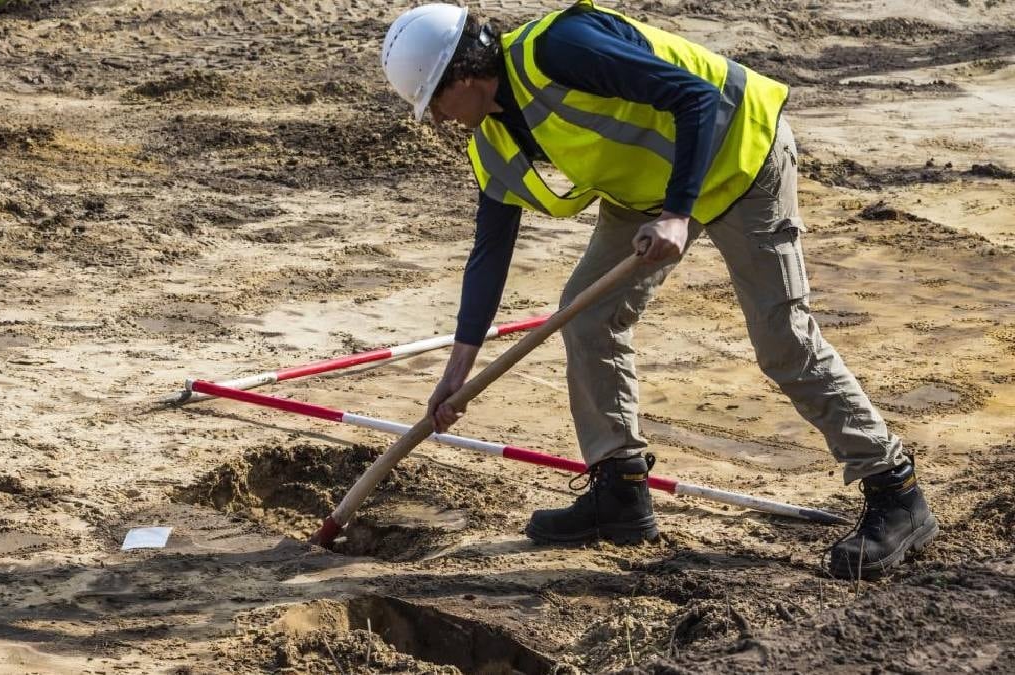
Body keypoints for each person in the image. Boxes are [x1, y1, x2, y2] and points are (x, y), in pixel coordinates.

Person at [380, 1, 938, 579]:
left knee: (782, 340)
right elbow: (490, 250)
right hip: (649, 191)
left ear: (465, 78)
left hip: (740, 156)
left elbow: (696, 96)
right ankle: (620, 489)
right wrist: (458, 367)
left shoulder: (560, 48)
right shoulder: (491, 138)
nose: (439, 121)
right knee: (588, 315)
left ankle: (895, 490)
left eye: (434, 104)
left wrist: (678, 213)